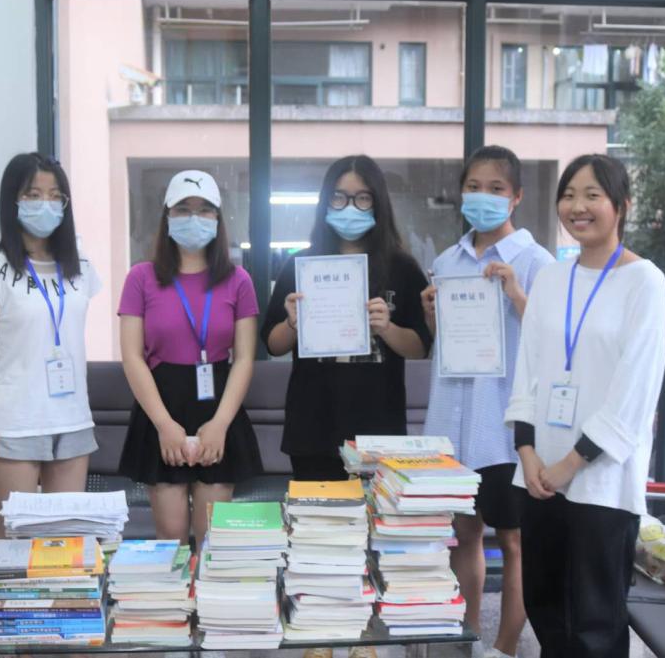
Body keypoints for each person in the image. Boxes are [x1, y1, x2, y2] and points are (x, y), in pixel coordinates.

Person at [506, 154, 665, 657]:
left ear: (622, 205)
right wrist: (528, 453)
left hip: (601, 482)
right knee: (545, 607)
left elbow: (634, 392)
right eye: (569, 195)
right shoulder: (552, 278)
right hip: (539, 475)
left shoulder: (645, 282)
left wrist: (570, 465)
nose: (578, 206)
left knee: (594, 623)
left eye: (592, 195)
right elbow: (528, 368)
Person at [420, 146, 553, 658]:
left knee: (515, 541)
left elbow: (553, 342)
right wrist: (432, 317)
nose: (483, 197)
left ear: (516, 197)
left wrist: (517, 293)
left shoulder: (536, 262)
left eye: (496, 188)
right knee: (464, 532)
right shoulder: (446, 262)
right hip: (453, 423)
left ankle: (505, 647)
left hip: (504, 427)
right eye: (473, 187)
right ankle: (469, 635)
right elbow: (447, 348)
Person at [262, 154, 432, 482]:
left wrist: (387, 328)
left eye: (362, 198)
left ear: (378, 203)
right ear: (326, 202)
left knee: (377, 515)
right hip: (313, 428)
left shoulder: (402, 268)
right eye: (339, 197)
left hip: (379, 430)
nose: (350, 207)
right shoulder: (302, 265)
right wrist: (292, 323)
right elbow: (273, 343)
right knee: (317, 514)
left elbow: (420, 347)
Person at [117, 170, 262, 550]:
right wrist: (164, 424)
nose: (194, 218)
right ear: (167, 216)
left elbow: (244, 358)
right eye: (183, 209)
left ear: (218, 218)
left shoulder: (238, 280)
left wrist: (221, 424)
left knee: (213, 539)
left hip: (219, 407)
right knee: (171, 538)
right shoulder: (141, 278)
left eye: (204, 209)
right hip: (161, 407)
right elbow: (132, 357)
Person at [0, 153, 100, 538]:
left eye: (55, 196)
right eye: (33, 194)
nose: (46, 204)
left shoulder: (80, 267)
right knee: (12, 540)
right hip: (14, 422)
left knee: (65, 543)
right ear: (13, 200)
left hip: (73, 419)